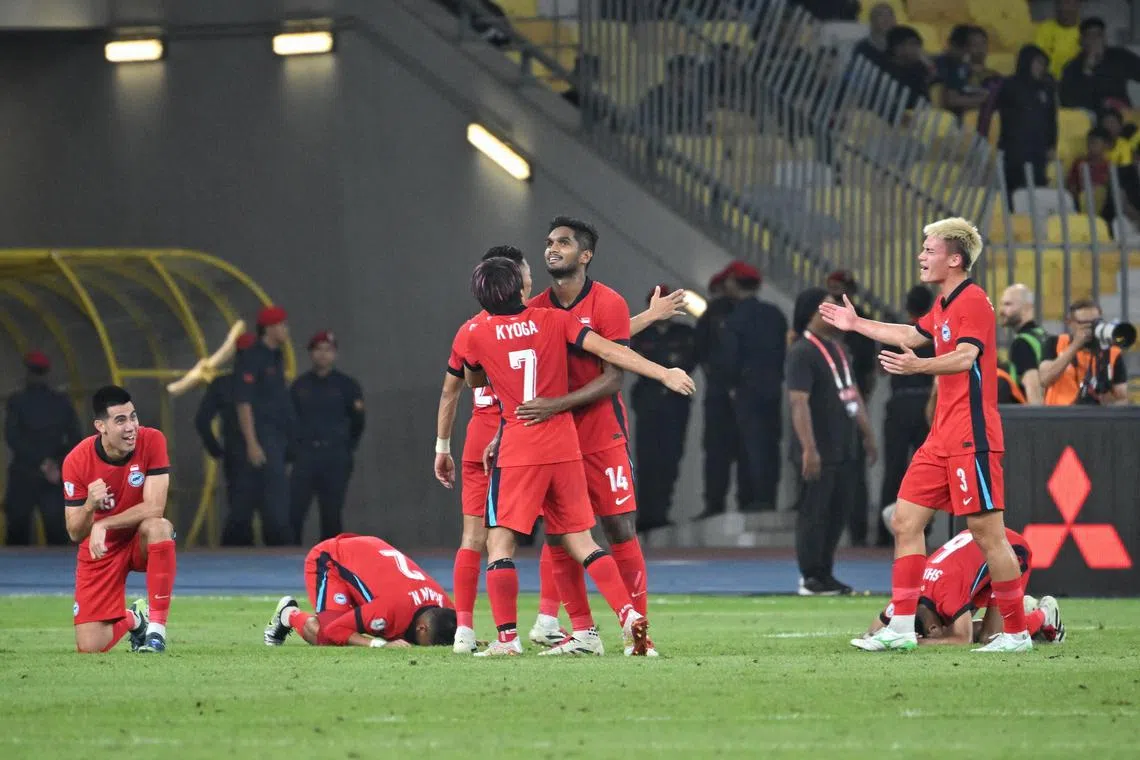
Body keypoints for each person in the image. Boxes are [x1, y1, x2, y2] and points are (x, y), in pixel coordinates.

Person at [436, 244, 686, 654]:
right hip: (565, 443)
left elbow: (473, 383)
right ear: (519, 286)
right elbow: (610, 350)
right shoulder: (554, 320)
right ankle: (628, 617)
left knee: (498, 544)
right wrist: (664, 373)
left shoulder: (473, 332)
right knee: (582, 541)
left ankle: (506, 639)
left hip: (519, 445)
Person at [821, 217, 1033, 653]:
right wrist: (857, 323)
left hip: (971, 434)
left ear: (954, 259)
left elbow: (964, 357)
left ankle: (1016, 633)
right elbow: (911, 335)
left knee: (986, 533)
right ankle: (900, 626)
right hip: (942, 435)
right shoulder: (943, 304)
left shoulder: (972, 300)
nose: (921, 256)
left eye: (929, 249)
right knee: (904, 520)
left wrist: (917, 367)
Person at [515, 216, 678, 654]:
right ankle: (581, 632)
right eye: (549, 242)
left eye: (563, 243)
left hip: (602, 434)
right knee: (558, 534)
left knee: (619, 528)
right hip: (554, 439)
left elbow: (612, 376)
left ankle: (640, 633)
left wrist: (555, 404)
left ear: (585, 255)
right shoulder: (535, 310)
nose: (552, 248)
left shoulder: (608, 302)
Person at [62, 385, 176, 653]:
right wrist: (90, 505)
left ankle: (156, 632)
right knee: (90, 647)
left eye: (133, 417)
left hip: (139, 538)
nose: (131, 427)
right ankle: (136, 618)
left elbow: (155, 507)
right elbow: (75, 533)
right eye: (120, 420)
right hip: (101, 550)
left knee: (159, 527)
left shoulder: (153, 440)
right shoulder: (76, 461)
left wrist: (104, 523)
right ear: (100, 426)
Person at [786, 288, 876, 596]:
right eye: (830, 304)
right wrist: (808, 447)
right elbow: (798, 402)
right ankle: (810, 575)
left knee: (838, 512)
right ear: (812, 311)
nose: (837, 308)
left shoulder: (839, 349)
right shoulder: (802, 351)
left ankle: (826, 572)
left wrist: (867, 433)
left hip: (844, 445)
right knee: (815, 512)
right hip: (818, 448)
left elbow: (853, 394)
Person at [860, 523, 1064, 646]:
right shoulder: (907, 600)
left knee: (992, 636)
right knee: (978, 630)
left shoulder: (947, 597)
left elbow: (962, 639)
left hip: (1009, 551)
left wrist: (918, 643)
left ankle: (1045, 613)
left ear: (932, 628)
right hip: (977, 553)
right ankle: (1017, 610)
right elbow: (872, 631)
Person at [263, 533, 457, 648]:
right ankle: (288, 614)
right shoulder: (388, 609)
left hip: (366, 554)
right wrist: (378, 645)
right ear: (421, 628)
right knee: (326, 637)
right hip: (331, 559)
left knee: (355, 624)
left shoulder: (446, 608)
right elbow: (334, 631)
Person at [716, 260, 788, 513]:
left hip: (746, 389)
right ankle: (768, 496)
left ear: (735, 283)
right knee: (770, 442)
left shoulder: (736, 318)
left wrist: (732, 384)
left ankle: (751, 498)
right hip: (772, 387)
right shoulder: (775, 314)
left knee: (749, 443)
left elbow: (729, 358)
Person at [630, 285, 698, 533]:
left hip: (675, 403)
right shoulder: (641, 332)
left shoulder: (685, 333)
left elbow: (691, 360)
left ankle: (662, 510)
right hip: (648, 404)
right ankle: (647, 513)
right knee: (647, 459)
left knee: (671, 458)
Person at [289, 330, 365, 543]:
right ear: (311, 354)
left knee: (331, 513)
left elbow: (358, 423)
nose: (323, 355)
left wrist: (346, 447)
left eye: (328, 350)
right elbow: (289, 421)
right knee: (294, 512)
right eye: (318, 350)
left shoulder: (347, 386)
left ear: (335, 354)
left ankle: (329, 563)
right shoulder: (300, 386)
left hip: (335, 456)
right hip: (305, 456)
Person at [4, 351, 81, 546]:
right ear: (47, 373)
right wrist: (55, 463)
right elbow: (75, 439)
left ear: (28, 373)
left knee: (18, 532)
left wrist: (40, 462)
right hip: (53, 476)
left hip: (24, 472)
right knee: (56, 534)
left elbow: (12, 438)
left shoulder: (17, 402)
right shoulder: (62, 403)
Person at [693, 269, 753, 519]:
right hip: (719, 394)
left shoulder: (752, 313)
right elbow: (701, 348)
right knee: (716, 450)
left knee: (746, 448)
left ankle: (746, 500)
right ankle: (714, 503)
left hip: (745, 393)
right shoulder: (714, 312)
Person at [878, 286, 935, 547]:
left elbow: (881, 370)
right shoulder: (936, 335)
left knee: (893, 468)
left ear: (907, 306)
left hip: (899, 404)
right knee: (925, 470)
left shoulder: (896, 333)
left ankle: (883, 533)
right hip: (927, 404)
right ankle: (923, 529)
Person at [233, 305, 294, 546]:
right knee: (270, 496)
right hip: (262, 436)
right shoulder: (253, 357)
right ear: (270, 328)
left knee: (276, 495)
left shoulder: (276, 357)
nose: (286, 330)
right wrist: (252, 442)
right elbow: (243, 402)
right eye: (283, 325)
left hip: (277, 436)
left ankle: (277, 545)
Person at [825, 270, 876, 545]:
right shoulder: (822, 322)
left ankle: (858, 531)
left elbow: (867, 374)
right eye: (829, 290)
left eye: (837, 290)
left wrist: (860, 408)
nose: (832, 296)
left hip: (851, 407)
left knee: (854, 469)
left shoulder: (861, 327)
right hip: (824, 407)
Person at [194, 332, 259, 545]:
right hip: (264, 451)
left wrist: (217, 450)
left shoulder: (223, 384)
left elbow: (203, 420)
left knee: (241, 509)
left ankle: (237, 556)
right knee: (268, 514)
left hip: (236, 451)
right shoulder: (268, 383)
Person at [1039, 299, 1129, 406]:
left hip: (1094, 419)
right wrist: (1076, 345)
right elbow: (1045, 379)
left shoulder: (1112, 353)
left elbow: (1122, 399)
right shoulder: (1056, 343)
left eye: (1095, 323)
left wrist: (1106, 399)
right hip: (1059, 416)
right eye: (1085, 323)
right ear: (1070, 323)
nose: (1091, 328)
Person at [996, 45, 1057, 196]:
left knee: (1037, 191)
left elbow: (1052, 120)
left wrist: (1051, 145)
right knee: (1015, 192)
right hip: (1014, 151)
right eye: (1038, 63)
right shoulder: (1009, 85)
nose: (1041, 68)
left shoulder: (1047, 88)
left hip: (1039, 151)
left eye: (1044, 64)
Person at [1060, 17, 1140, 113]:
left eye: (1098, 35)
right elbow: (1067, 101)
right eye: (1090, 36)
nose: (1095, 40)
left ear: (1104, 38)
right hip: (1091, 117)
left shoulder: (1119, 56)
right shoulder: (1073, 67)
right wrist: (1087, 69)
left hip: (1121, 113)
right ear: (1082, 41)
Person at [998, 285, 1047, 405]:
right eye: (1002, 304)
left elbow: (1033, 391)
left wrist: (1037, 422)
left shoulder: (1022, 343)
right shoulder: (1042, 335)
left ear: (1026, 308)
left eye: (1008, 304)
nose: (1002, 310)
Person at [935, 25, 991, 117]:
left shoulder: (986, 73)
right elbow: (952, 100)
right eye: (974, 45)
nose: (980, 50)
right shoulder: (949, 66)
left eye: (983, 44)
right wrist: (986, 99)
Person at [1034, 0, 1082, 81]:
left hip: (1075, 83)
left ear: (1078, 5)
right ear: (1056, 6)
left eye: (1070, 3)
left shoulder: (1084, 33)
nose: (1065, 8)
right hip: (1047, 81)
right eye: (1062, 3)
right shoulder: (1044, 29)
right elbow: (1037, 60)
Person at [852, 3, 896, 70]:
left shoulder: (901, 48)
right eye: (881, 15)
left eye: (890, 15)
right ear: (872, 22)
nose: (887, 19)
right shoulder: (862, 48)